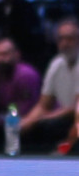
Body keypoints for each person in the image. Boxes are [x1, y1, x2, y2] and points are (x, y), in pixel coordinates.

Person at [19, 16, 79, 152]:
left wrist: (43, 118)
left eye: (70, 38)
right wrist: (26, 122)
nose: (65, 43)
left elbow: (75, 109)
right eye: (61, 39)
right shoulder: (56, 63)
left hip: (76, 122)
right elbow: (44, 105)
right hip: (67, 120)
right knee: (30, 129)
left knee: (50, 125)